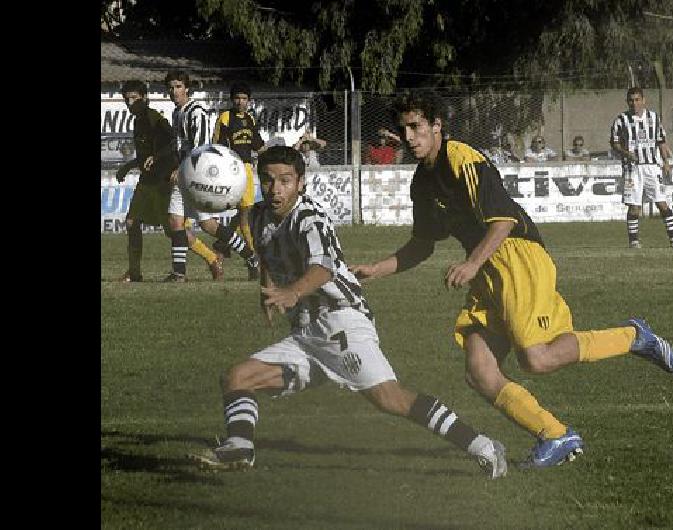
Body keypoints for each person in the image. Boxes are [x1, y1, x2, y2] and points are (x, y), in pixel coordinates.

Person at [351, 91, 673, 469]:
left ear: (437, 126)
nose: (409, 137)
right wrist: (377, 269)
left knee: (536, 359)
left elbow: (504, 220)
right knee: (479, 371)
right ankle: (555, 434)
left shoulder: (462, 159)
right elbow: (422, 245)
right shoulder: (421, 184)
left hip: (516, 256)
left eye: (416, 127)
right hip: (489, 267)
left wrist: (472, 264)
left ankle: (634, 337)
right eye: (403, 129)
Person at [188, 146, 507, 479]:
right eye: (268, 181)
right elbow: (268, 256)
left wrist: (291, 292)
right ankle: (239, 446)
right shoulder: (257, 216)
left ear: (301, 182)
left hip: (341, 323)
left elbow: (322, 269)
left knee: (391, 399)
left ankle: (484, 446)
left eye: (285, 180)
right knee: (237, 377)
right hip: (307, 335)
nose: (275, 189)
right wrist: (266, 294)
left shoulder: (309, 218)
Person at [114, 80, 219, 282]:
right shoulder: (138, 121)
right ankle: (134, 272)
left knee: (174, 231)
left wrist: (163, 162)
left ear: (145, 98)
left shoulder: (155, 119)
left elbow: (173, 144)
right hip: (146, 181)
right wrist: (128, 166)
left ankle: (212, 258)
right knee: (131, 222)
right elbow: (146, 154)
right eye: (127, 99)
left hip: (161, 180)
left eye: (134, 98)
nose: (130, 103)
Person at [163, 70, 259, 282]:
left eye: (178, 86)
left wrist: (181, 168)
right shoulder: (177, 112)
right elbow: (179, 144)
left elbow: (200, 146)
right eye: (170, 87)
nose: (173, 91)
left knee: (208, 226)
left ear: (187, 88)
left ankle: (251, 257)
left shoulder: (196, 112)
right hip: (184, 174)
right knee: (176, 222)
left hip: (196, 175)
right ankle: (179, 273)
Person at [610, 87, 673, 249]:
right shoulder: (621, 120)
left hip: (652, 167)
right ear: (627, 102)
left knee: (662, 203)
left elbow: (661, 141)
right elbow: (614, 143)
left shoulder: (654, 118)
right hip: (632, 169)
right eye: (631, 100)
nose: (634, 103)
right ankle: (634, 242)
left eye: (637, 100)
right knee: (634, 206)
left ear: (643, 100)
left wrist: (666, 162)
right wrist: (626, 153)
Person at [211, 81, 267, 281]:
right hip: (232, 168)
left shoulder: (250, 118)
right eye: (237, 98)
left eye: (244, 99)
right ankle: (253, 257)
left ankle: (223, 243)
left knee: (245, 212)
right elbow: (217, 144)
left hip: (247, 168)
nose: (240, 102)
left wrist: (273, 155)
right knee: (245, 214)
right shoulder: (225, 118)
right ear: (232, 99)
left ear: (249, 101)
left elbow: (257, 144)